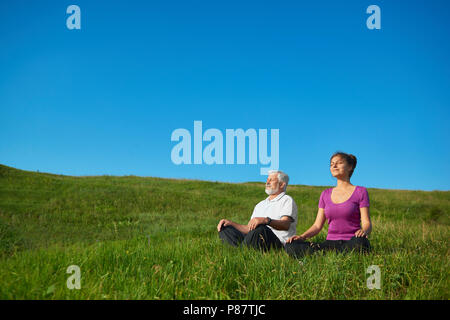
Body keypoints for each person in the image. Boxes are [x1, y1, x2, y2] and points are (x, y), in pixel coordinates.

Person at [285, 152, 372, 259]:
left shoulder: (360, 191)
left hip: (352, 241)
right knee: (291, 245)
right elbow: (317, 226)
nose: (334, 166)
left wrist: (364, 231)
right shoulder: (325, 194)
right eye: (331, 164)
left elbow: (366, 222)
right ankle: (333, 255)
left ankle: (325, 256)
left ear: (350, 167)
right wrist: (302, 237)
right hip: (330, 244)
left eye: (339, 163)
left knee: (361, 243)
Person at [217, 170, 298, 251]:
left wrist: (266, 220)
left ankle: (242, 251)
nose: (267, 182)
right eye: (267, 180)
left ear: (281, 185)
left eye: (271, 180)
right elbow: (249, 229)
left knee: (261, 228)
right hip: (257, 238)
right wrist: (231, 223)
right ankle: (238, 253)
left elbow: (285, 225)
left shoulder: (287, 200)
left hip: (278, 243)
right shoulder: (260, 205)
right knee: (225, 228)